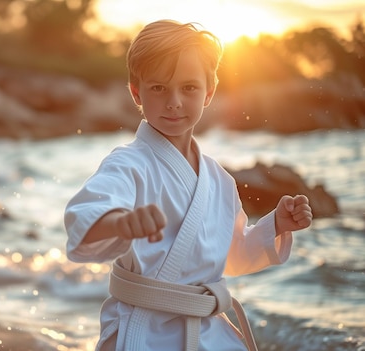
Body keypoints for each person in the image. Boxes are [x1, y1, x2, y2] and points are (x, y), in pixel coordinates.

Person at [64, 20, 313, 351]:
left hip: (209, 332)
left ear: (209, 92)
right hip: (144, 331)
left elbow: (232, 254)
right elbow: (87, 213)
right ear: (136, 91)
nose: (174, 102)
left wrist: (276, 225)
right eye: (158, 88)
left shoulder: (218, 179)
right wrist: (121, 222)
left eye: (189, 88)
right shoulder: (127, 164)